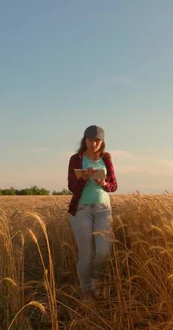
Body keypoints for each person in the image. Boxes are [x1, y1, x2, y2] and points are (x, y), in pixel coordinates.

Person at [67, 125, 118, 300]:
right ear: (85, 140)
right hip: (82, 209)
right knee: (86, 254)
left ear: (102, 142)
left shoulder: (106, 158)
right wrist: (84, 178)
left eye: (97, 140)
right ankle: (87, 292)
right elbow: (71, 187)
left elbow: (114, 186)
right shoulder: (76, 159)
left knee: (103, 251)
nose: (93, 143)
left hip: (104, 209)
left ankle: (96, 283)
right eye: (90, 140)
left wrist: (103, 184)